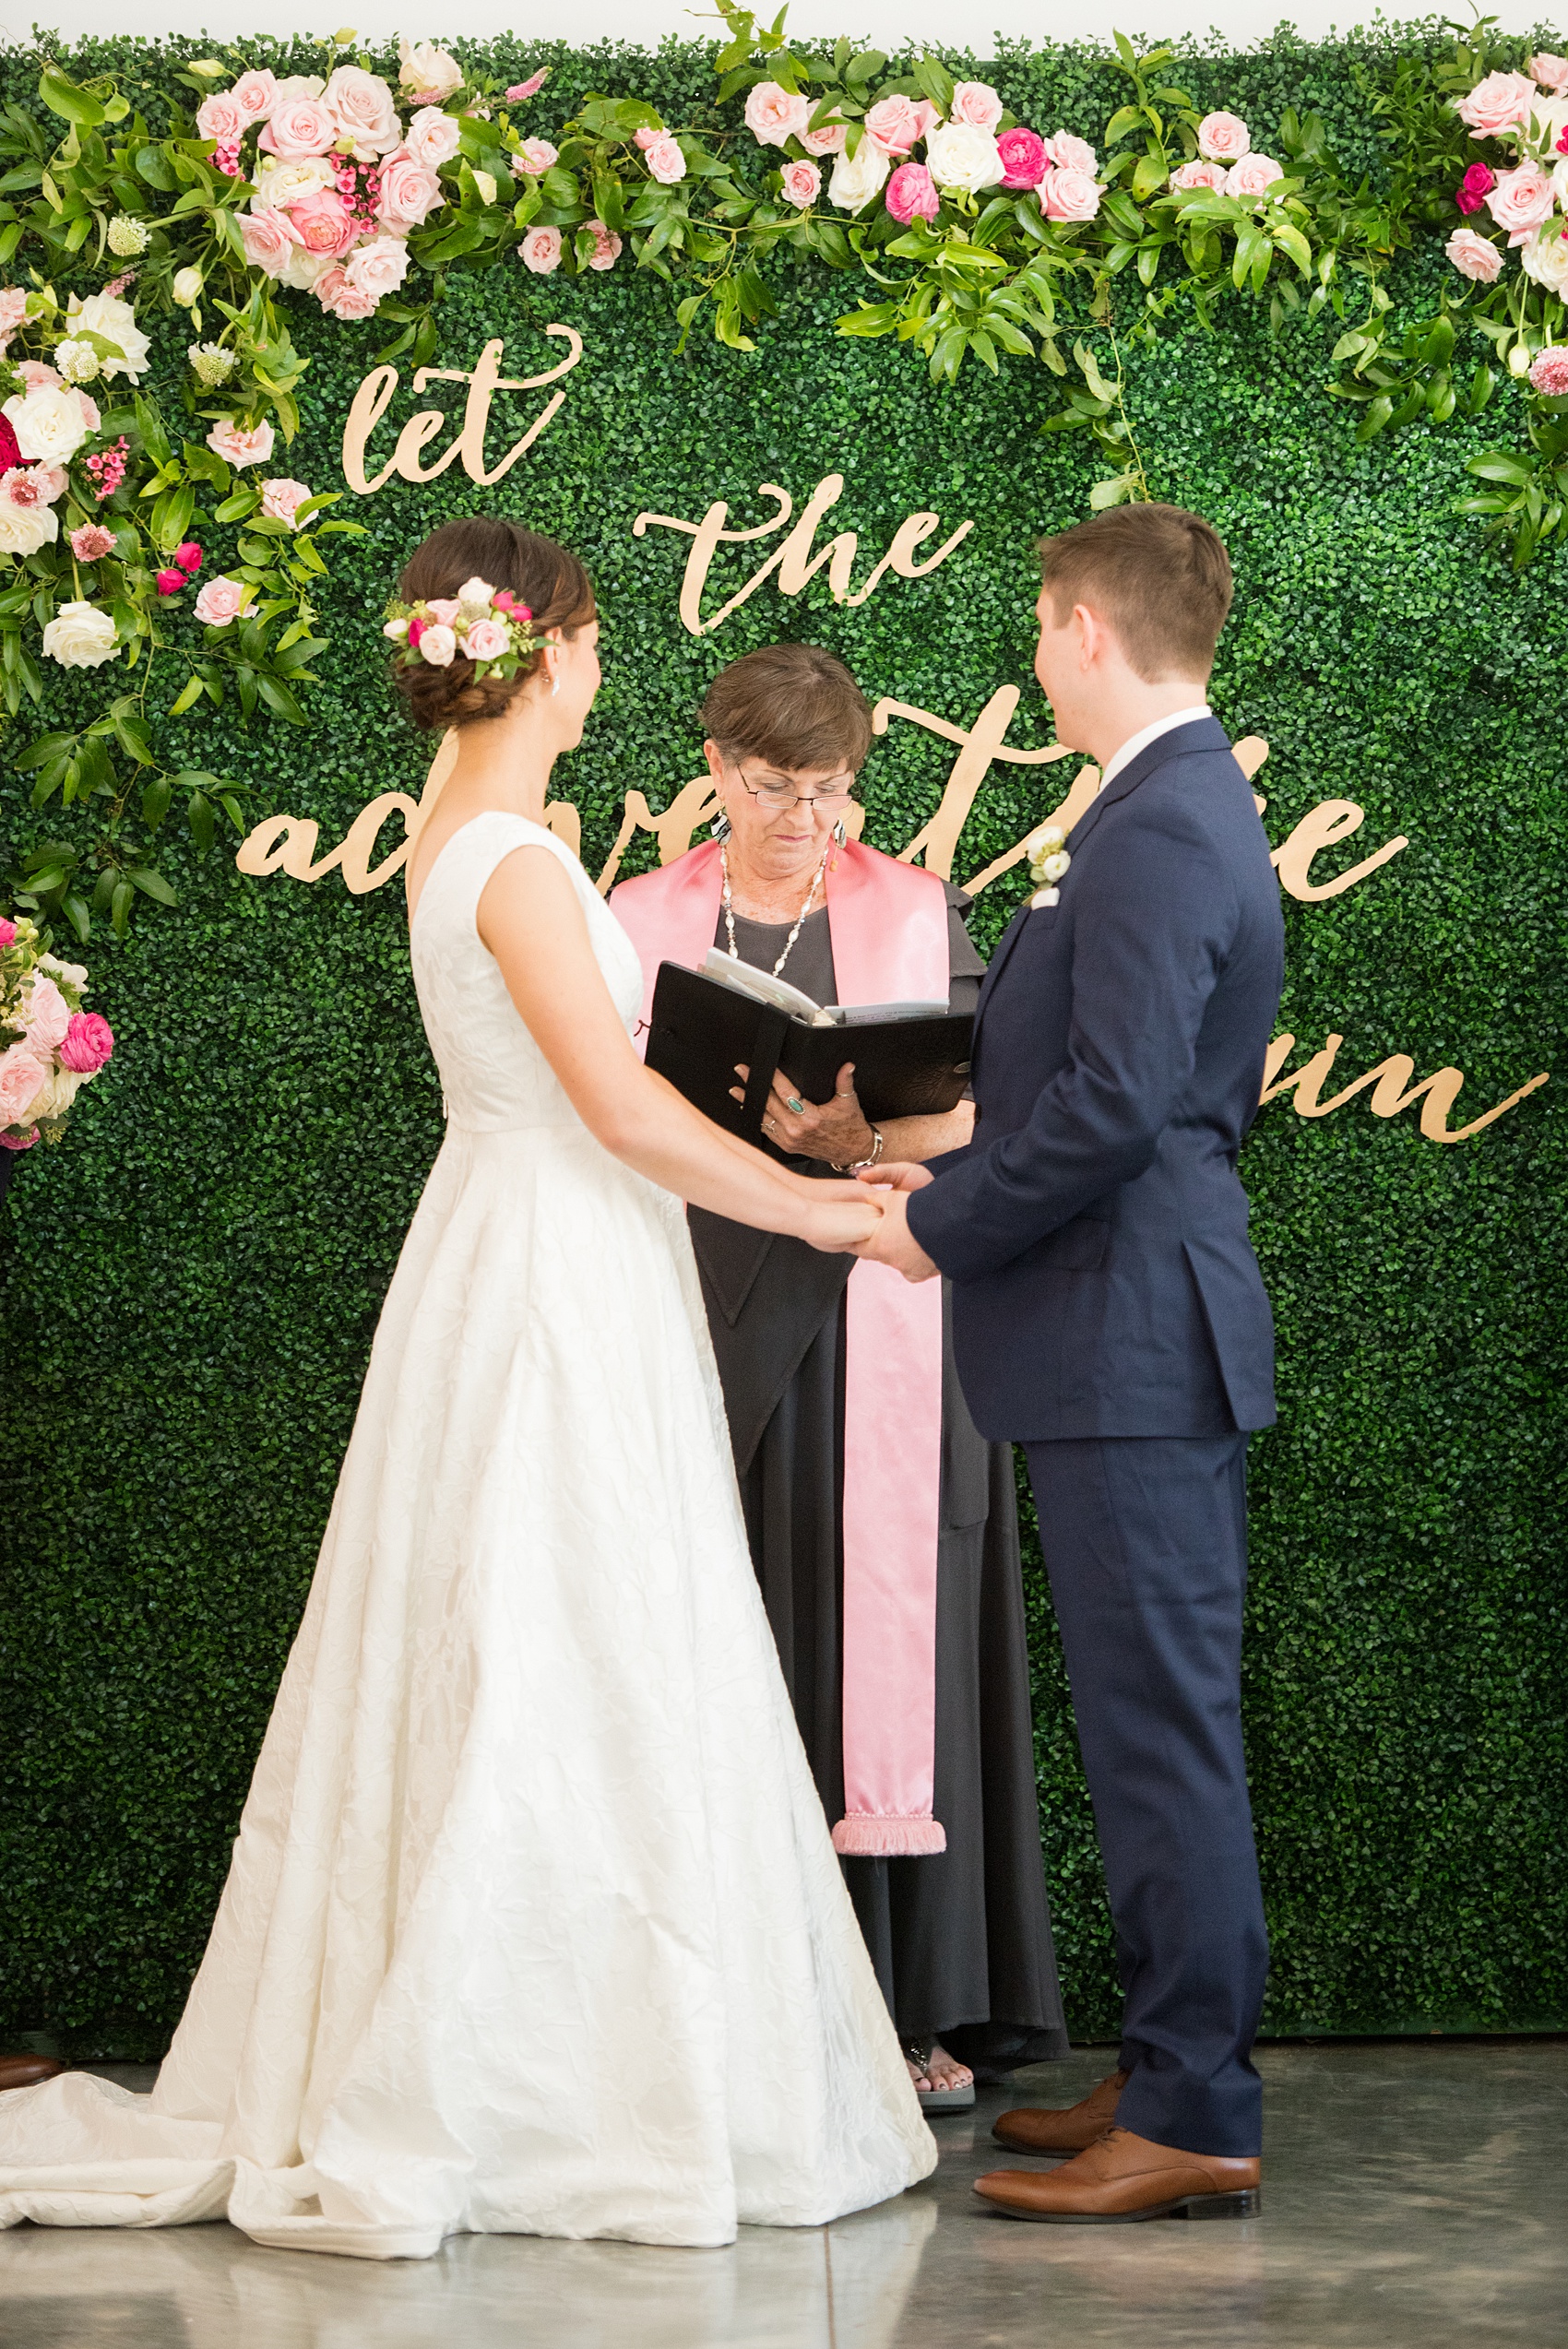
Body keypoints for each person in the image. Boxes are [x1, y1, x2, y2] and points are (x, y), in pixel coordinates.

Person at [0, 520, 934, 2255]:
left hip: (513, 1248)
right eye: (589, 644)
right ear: (551, 650)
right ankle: (545, 2081)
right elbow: (623, 1112)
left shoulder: (473, 833)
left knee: (538, 1631)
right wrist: (833, 1212)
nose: (600, 673)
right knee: (561, 1632)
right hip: (551, 1273)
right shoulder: (511, 856)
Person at [855, 503, 1283, 2224]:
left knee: (1165, 1734)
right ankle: (1170, 2064)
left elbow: (1117, 1108)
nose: (1035, 656)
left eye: (1042, 626)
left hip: (1136, 1344)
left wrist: (934, 1230)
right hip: (1116, 1338)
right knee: (1141, 1729)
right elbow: (1098, 1097)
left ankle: (1194, 2109)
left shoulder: (1165, 821)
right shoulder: (1158, 806)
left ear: (1090, 631)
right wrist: (944, 1173)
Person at [612, 644, 1068, 2110]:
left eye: (831, 787)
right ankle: (718, 2008)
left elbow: (988, 1119)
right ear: (716, 769)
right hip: (705, 1308)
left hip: (882, 1303)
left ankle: (904, 2007)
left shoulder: (917, 911)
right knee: (722, 1636)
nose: (809, 818)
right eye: (774, 787)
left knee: (889, 1648)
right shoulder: (640, 919)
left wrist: (858, 1141)